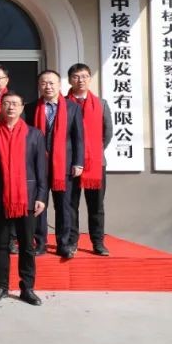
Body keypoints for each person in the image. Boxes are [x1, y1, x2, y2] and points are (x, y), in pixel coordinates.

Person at [0, 92, 47, 306]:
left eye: (15, 104)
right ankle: (1, 286)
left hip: (27, 197)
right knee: (1, 244)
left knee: (27, 245)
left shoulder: (34, 135)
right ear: (1, 107)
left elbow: (41, 169)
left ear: (22, 108)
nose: (11, 107)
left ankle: (27, 288)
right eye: (7, 103)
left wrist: (41, 196)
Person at [26, 70, 84, 258]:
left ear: (59, 85)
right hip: (38, 165)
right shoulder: (30, 108)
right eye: (44, 83)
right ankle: (40, 243)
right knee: (38, 205)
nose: (48, 87)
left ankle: (64, 244)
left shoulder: (72, 108)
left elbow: (78, 138)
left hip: (64, 166)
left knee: (64, 206)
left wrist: (78, 162)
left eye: (52, 83)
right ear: (39, 86)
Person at [65, 63, 113, 256]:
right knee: (71, 205)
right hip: (69, 163)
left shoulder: (101, 104)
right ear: (70, 80)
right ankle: (71, 241)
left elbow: (107, 133)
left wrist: (93, 152)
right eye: (76, 77)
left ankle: (98, 242)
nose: (81, 80)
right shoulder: (63, 103)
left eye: (84, 76)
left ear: (90, 79)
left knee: (96, 206)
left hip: (95, 163)